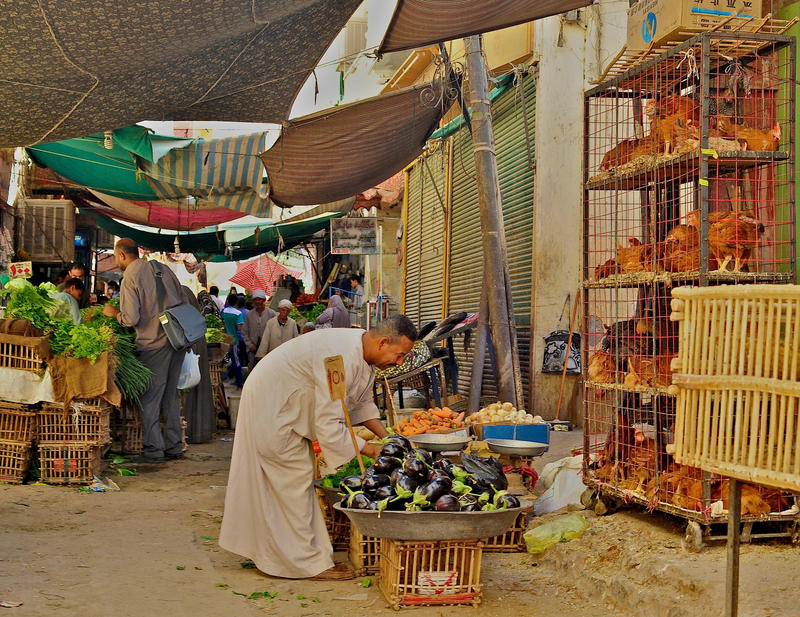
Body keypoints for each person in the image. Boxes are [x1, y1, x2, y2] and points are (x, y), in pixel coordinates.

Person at [219, 315, 417, 580]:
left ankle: (282, 555)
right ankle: (307, 564)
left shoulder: (363, 356)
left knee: (287, 481)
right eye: (400, 354)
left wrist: (389, 437)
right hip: (272, 402)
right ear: (383, 342)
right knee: (294, 479)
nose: (400, 362)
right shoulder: (341, 355)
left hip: (281, 400)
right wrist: (369, 449)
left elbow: (360, 403)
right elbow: (329, 424)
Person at [103, 239, 185, 463]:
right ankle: (174, 447)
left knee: (150, 398)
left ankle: (153, 450)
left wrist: (113, 313)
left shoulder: (131, 275)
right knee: (170, 396)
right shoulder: (163, 268)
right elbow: (183, 299)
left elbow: (131, 319)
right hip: (177, 340)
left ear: (121, 255)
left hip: (154, 343)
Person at [241, 289, 275, 371]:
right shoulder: (249, 315)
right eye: (255, 299)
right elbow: (244, 333)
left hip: (267, 348)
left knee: (267, 370)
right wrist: (250, 345)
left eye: (260, 299)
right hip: (253, 348)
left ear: (264, 300)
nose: (258, 302)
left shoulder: (271, 313)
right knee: (253, 370)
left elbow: (275, 331)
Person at [222, 294, 244, 388]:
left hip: (224, 339)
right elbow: (239, 328)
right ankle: (239, 383)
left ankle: (223, 378)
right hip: (234, 340)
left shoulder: (223, 311)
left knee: (225, 360)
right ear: (236, 302)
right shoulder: (238, 313)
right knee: (236, 361)